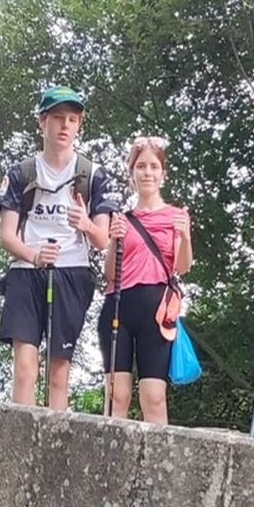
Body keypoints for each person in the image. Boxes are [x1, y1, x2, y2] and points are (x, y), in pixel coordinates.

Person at [0, 85, 118, 409]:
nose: (65, 126)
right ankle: (20, 441)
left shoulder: (92, 174)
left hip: (71, 273)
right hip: (26, 272)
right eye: (58, 118)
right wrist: (33, 255)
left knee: (59, 371)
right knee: (24, 369)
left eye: (73, 119)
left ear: (79, 125)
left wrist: (86, 224)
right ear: (42, 122)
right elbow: (6, 235)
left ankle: (51, 448)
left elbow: (103, 239)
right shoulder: (20, 172)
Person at [99, 136, 193, 423]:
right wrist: (114, 239)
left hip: (157, 311)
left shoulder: (176, 216)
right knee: (117, 396)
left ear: (162, 174)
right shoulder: (122, 218)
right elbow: (109, 273)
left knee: (153, 396)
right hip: (119, 306)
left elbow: (182, 266)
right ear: (132, 173)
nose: (147, 172)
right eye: (141, 166)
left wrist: (186, 236)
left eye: (153, 166)